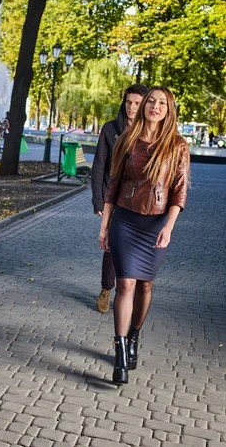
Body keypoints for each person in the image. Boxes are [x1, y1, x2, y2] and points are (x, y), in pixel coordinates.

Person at [99, 86, 190, 385]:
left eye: (162, 103)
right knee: (125, 283)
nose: (155, 106)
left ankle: (135, 334)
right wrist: (105, 225)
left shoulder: (177, 145)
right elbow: (113, 184)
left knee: (145, 285)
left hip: (156, 223)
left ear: (169, 109)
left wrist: (169, 226)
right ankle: (121, 350)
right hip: (125, 219)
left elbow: (179, 191)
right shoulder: (126, 139)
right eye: (151, 101)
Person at [91, 84, 148, 313]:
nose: (132, 107)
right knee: (111, 248)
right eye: (129, 102)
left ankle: (127, 290)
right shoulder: (110, 129)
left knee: (134, 248)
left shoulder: (150, 131)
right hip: (113, 199)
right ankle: (106, 288)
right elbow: (98, 168)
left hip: (140, 201)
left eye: (137, 103)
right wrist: (98, 201)